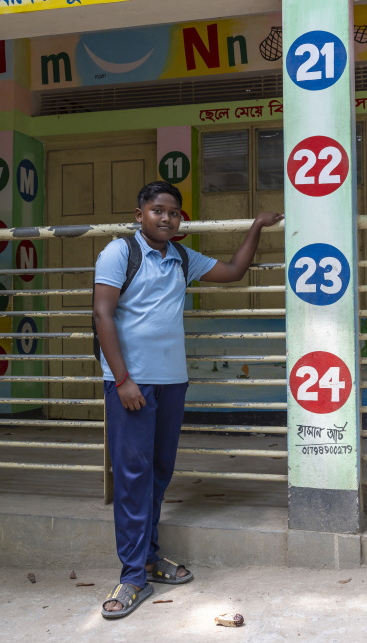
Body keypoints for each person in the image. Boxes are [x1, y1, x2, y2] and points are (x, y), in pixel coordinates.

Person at [94, 180, 283, 619]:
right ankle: (131, 576)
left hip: (171, 382)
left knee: (158, 472)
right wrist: (123, 379)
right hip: (131, 384)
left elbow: (234, 272)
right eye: (158, 210)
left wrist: (256, 226)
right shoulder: (120, 252)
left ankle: (149, 557)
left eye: (174, 212)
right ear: (139, 213)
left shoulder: (181, 257)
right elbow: (102, 313)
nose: (166, 217)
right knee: (132, 476)